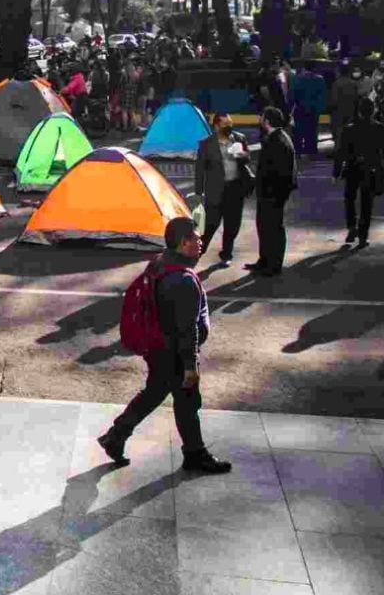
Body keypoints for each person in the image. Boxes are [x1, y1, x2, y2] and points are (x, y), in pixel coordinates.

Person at [97, 217, 232, 474]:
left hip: (158, 348)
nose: (200, 242)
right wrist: (191, 366)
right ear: (183, 243)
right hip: (175, 354)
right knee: (187, 402)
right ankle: (195, 454)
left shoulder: (161, 263)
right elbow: (187, 329)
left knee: (154, 394)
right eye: (195, 237)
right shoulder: (183, 281)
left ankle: (116, 437)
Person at [194, 114, 252, 265]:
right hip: (215, 190)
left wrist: (242, 155)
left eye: (230, 123)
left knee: (232, 224)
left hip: (235, 188)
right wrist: (198, 192)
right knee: (210, 225)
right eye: (225, 124)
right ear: (217, 126)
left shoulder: (239, 139)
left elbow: (248, 158)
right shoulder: (206, 144)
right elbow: (200, 170)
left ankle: (226, 255)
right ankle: (197, 252)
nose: (229, 127)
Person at [247, 107, 298, 277]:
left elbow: (280, 171)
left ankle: (274, 264)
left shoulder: (279, 141)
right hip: (268, 192)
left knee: (273, 227)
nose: (260, 119)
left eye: (262, 117)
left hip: (273, 193)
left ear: (267, 121)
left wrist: (272, 191)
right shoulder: (274, 138)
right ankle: (264, 260)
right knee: (264, 226)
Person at [334, 99, 384, 248]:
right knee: (366, 203)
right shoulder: (379, 128)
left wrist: (336, 172)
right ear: (373, 110)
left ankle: (351, 227)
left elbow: (341, 152)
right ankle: (363, 235)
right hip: (370, 168)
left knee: (349, 198)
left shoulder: (349, 129)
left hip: (352, 168)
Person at [290, 63, 327, 157]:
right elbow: (322, 96)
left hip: (300, 108)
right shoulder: (319, 79)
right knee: (312, 130)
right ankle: (310, 150)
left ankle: (298, 150)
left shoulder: (297, 78)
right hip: (313, 108)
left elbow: (293, 95)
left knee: (298, 130)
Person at [330, 63, 363, 149]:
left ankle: (338, 151)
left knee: (338, 133)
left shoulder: (336, 84)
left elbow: (334, 100)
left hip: (339, 112)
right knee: (351, 133)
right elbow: (357, 99)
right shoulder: (353, 84)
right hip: (350, 112)